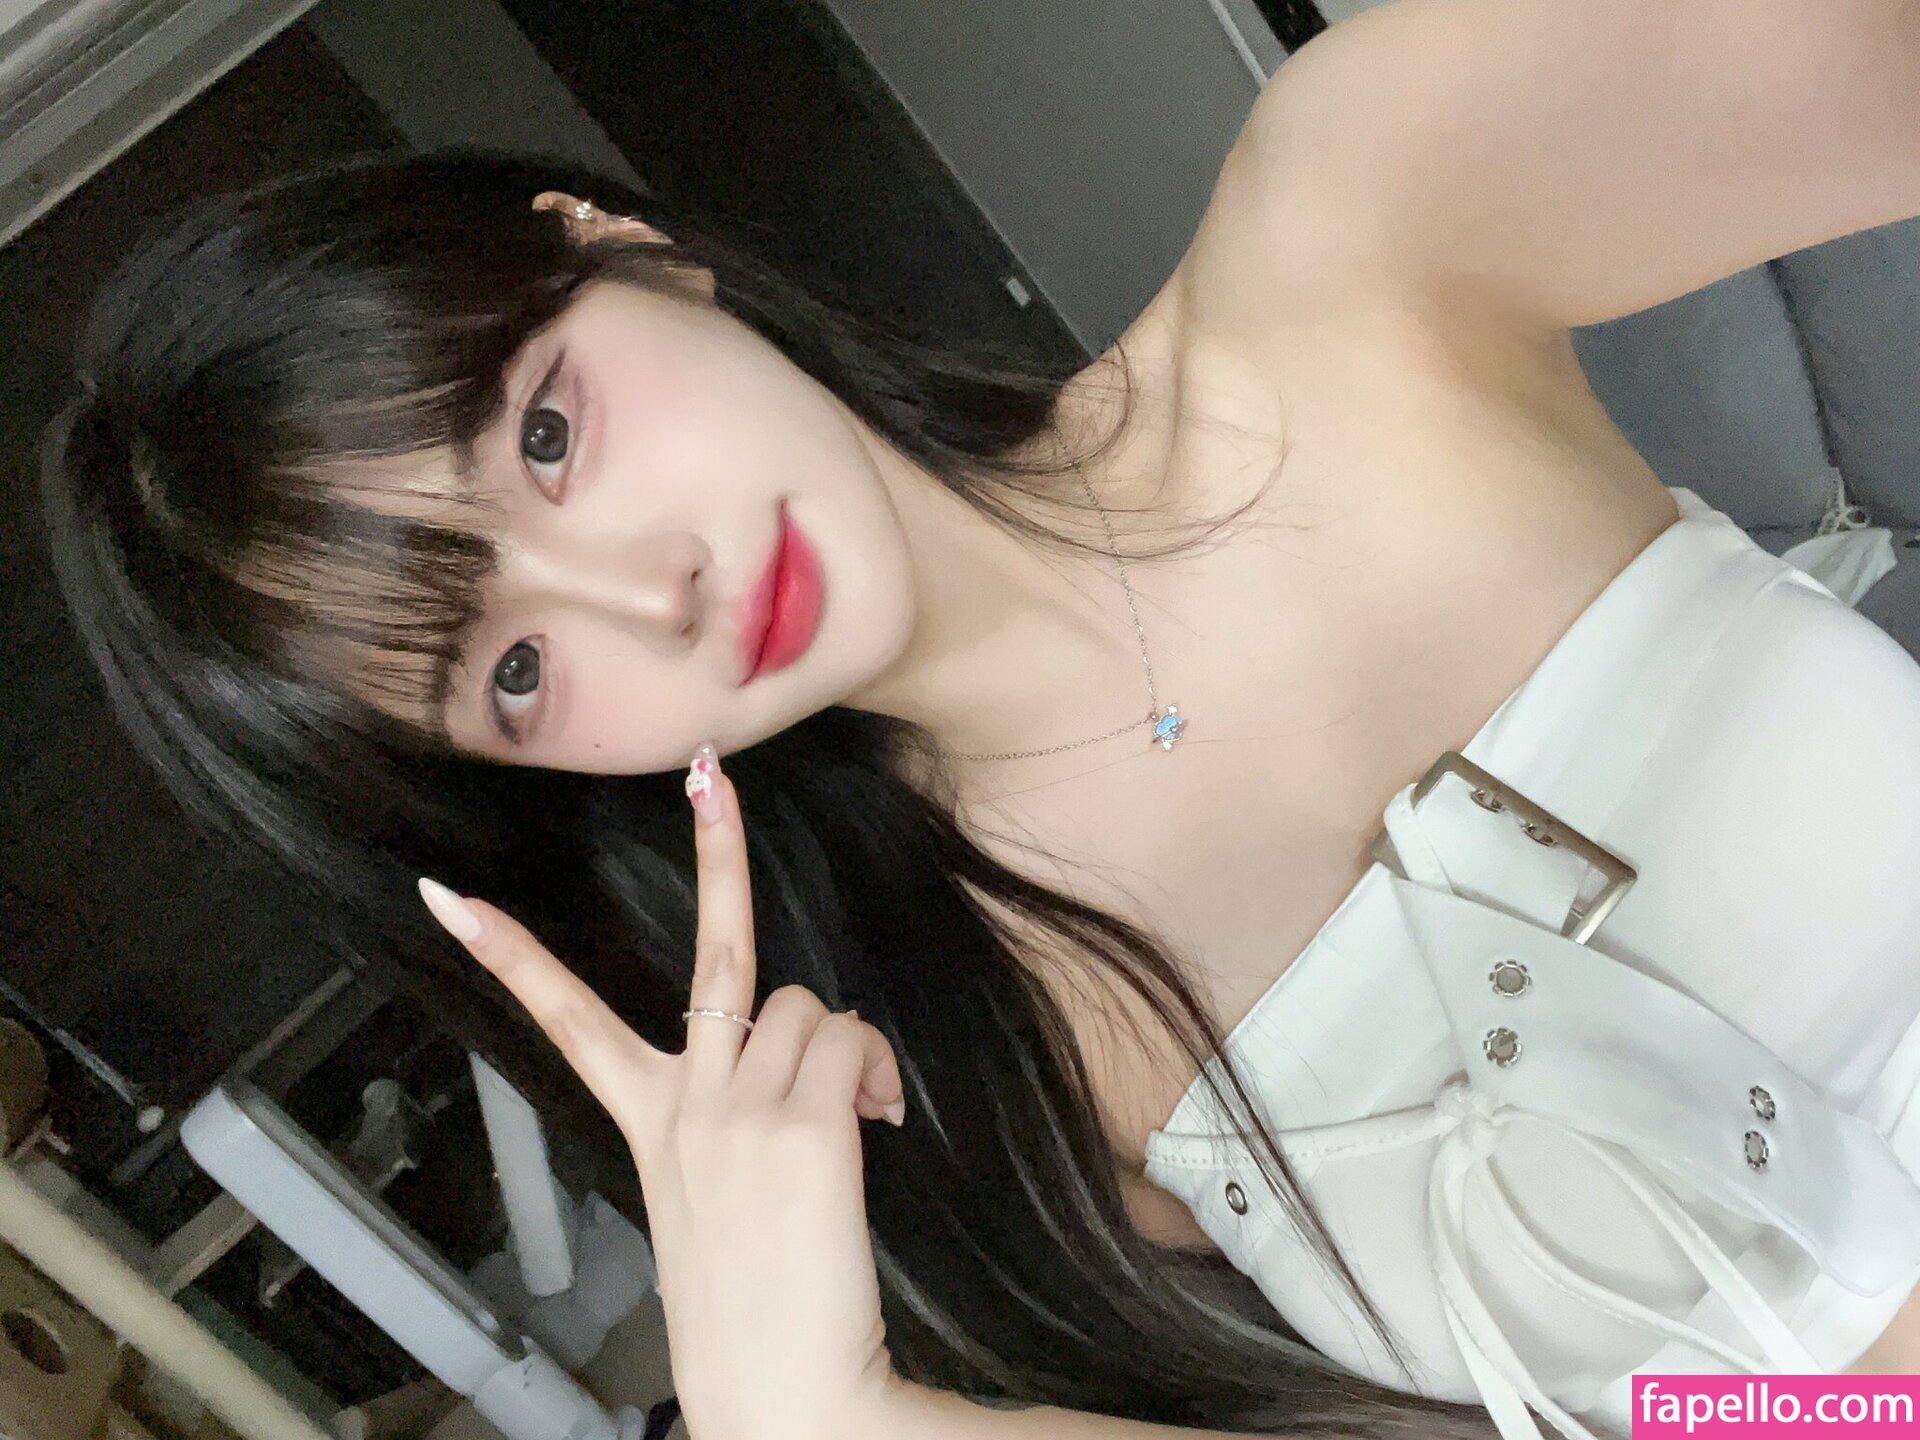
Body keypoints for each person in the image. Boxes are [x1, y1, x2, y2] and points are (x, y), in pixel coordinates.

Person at [36, 3, 1920, 1437]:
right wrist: (824, 1420)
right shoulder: (962, 1053)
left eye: (546, 433)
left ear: (609, 241)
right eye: (511, 672)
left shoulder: (1359, 237)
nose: (646, 592)